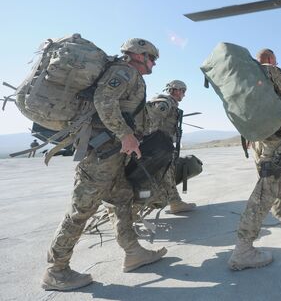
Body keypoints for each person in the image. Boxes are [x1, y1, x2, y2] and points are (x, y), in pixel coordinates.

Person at [41, 38, 166, 291]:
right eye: (152, 58)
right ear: (139, 55)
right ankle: (56, 270)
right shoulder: (123, 71)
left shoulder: (129, 74)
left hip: (112, 155)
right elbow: (104, 100)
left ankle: (133, 252)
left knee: (121, 198)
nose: (153, 63)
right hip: (101, 155)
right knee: (81, 211)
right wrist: (125, 134)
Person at [228, 48, 281, 271]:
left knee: (277, 186)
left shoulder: (248, 77)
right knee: (266, 191)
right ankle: (243, 249)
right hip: (275, 140)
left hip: (257, 141)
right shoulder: (271, 72)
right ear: (271, 59)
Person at [145, 80, 196, 214]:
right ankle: (174, 203)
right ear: (175, 90)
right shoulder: (165, 103)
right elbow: (151, 123)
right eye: (183, 91)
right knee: (164, 175)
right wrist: (154, 144)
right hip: (157, 147)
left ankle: (175, 202)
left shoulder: (171, 104)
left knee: (168, 175)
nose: (184, 95)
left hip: (162, 146)